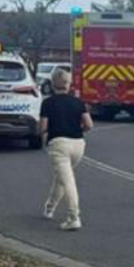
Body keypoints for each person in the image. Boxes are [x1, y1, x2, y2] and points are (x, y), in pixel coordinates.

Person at [40, 68, 93, 231]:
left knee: (67, 181)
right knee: (62, 178)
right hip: (78, 144)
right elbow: (89, 125)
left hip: (58, 144)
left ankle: (73, 217)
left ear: (53, 84)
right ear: (67, 84)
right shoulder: (78, 102)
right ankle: (50, 207)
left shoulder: (48, 103)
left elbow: (43, 128)